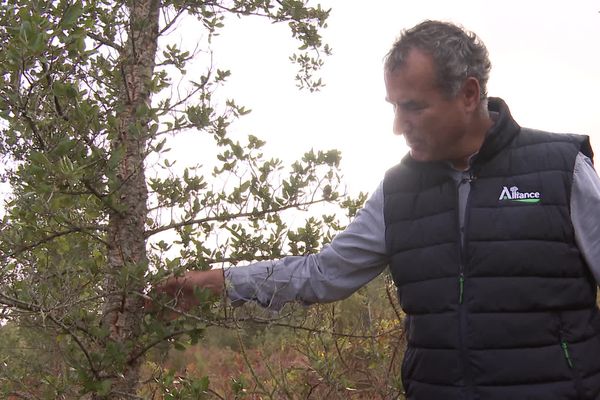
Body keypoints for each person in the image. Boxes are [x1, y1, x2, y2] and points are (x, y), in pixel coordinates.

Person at [157, 20, 600, 400]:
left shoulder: (559, 168)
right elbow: (324, 273)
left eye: (413, 107)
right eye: (393, 107)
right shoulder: (399, 190)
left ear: (468, 94)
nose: (397, 126)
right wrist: (224, 282)